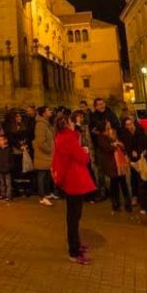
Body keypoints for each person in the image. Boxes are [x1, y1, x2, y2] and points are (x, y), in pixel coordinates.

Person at [51, 114, 96, 265]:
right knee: (73, 217)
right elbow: (82, 158)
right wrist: (85, 152)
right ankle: (74, 251)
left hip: (71, 180)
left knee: (74, 216)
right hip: (74, 180)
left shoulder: (61, 137)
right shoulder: (68, 139)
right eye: (72, 121)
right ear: (67, 124)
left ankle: (76, 244)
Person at [96, 121, 131, 213]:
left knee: (123, 182)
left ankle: (127, 203)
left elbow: (119, 143)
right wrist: (114, 144)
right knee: (114, 182)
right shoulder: (101, 137)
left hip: (119, 161)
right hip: (111, 162)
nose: (109, 126)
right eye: (107, 125)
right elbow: (106, 148)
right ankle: (116, 203)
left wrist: (117, 144)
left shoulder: (112, 132)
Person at [33, 106, 55, 206]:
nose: (50, 111)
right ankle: (42, 197)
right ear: (43, 113)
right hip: (43, 155)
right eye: (48, 110)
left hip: (47, 155)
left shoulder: (46, 124)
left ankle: (46, 193)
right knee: (41, 175)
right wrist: (50, 150)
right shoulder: (41, 125)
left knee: (45, 175)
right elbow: (41, 141)